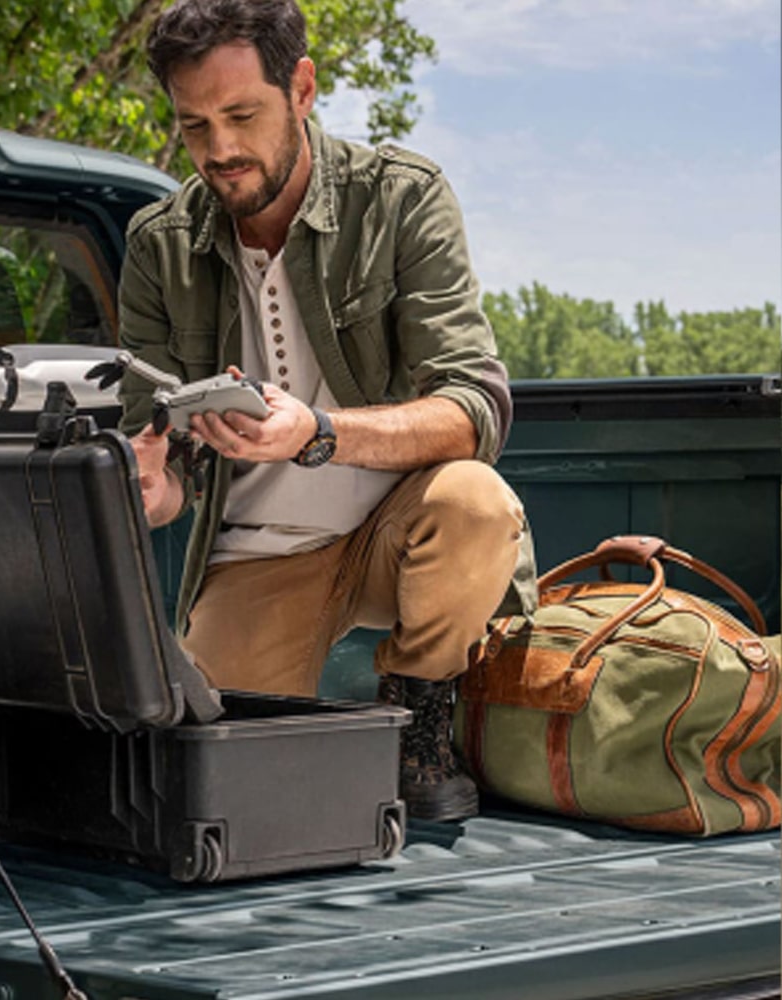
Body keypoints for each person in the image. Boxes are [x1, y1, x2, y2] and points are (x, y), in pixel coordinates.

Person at [117, 0, 537, 822]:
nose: (220, 150)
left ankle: (419, 718)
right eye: (195, 125)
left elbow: (477, 406)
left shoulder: (401, 198)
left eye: (242, 115)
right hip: (255, 563)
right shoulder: (155, 244)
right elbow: (159, 454)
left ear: (302, 88)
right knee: (220, 802)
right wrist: (152, 489)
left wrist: (318, 435)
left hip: (395, 531)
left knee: (474, 503)